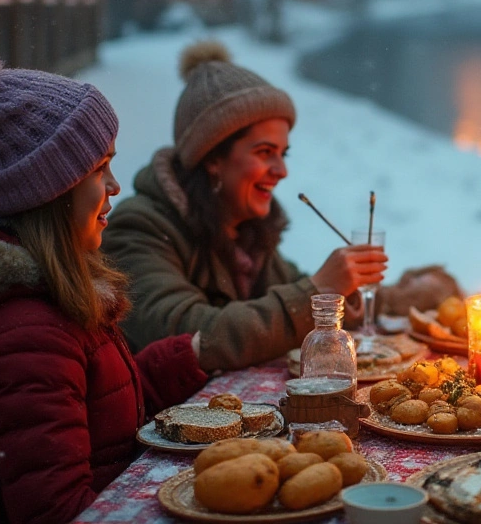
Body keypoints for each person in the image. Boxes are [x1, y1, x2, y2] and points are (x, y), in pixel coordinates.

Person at [0, 51, 207, 523]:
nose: (114, 186)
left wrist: (194, 354)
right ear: (49, 193)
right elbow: (61, 514)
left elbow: (94, 412)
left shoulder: (31, 304)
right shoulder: (28, 334)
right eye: (100, 168)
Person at [102, 42, 388, 371]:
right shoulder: (139, 228)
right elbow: (192, 335)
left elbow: (297, 292)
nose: (282, 171)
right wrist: (320, 289)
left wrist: (413, 291)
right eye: (265, 152)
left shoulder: (246, 232)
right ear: (212, 158)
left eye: (284, 153)